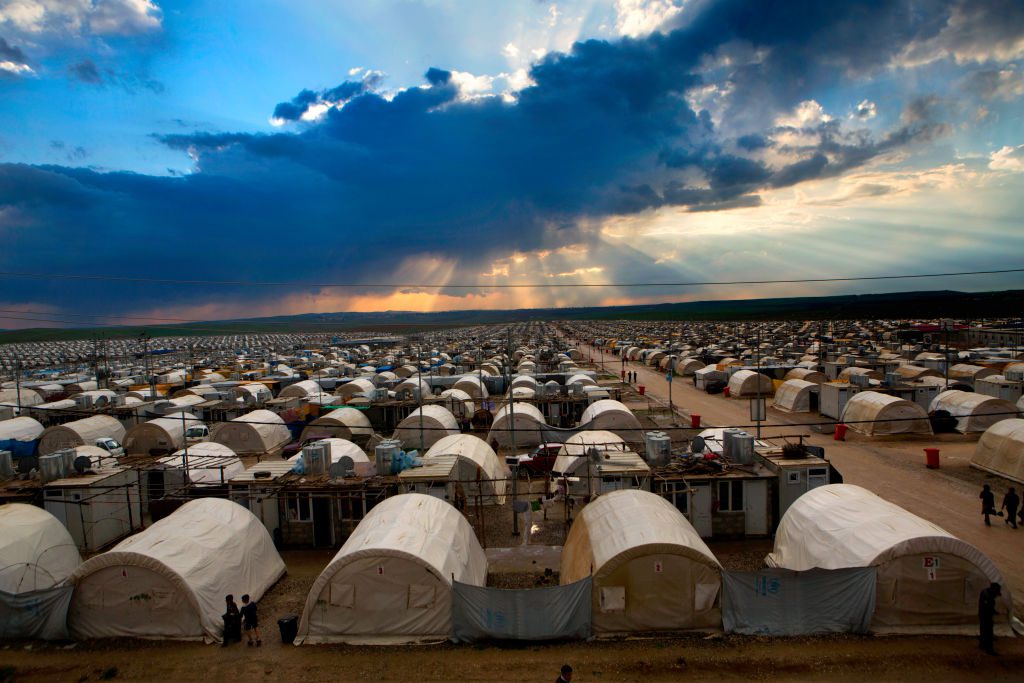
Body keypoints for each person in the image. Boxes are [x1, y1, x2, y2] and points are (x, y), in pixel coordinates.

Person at [978, 582, 1001, 655]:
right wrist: (992, 612)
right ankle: (989, 648)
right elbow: (987, 607)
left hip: (984, 615)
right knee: (988, 632)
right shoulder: (988, 596)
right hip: (986, 616)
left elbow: (989, 606)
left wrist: (994, 611)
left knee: (983, 630)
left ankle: (982, 644)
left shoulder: (986, 592)